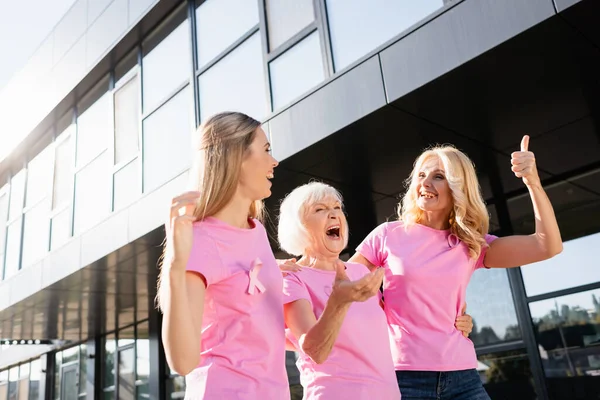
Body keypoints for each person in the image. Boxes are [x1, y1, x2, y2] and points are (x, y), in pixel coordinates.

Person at [349, 135, 563, 399]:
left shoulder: (471, 245)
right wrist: (377, 302)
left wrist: (533, 183)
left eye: (438, 176)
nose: (425, 183)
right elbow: (342, 284)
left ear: (457, 186)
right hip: (404, 377)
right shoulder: (387, 235)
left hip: (464, 378)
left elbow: (547, 246)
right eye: (421, 175)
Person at [277, 182, 474, 399]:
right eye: (320, 209)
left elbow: (403, 316)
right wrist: (339, 302)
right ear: (299, 226)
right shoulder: (293, 279)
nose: (334, 215)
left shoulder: (360, 272)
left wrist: (455, 319)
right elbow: (315, 351)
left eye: (337, 208)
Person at [157, 112, 289, 399]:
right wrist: (176, 267)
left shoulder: (256, 231)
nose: (274, 161)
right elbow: (183, 362)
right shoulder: (200, 240)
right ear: (235, 158)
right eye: (266, 150)